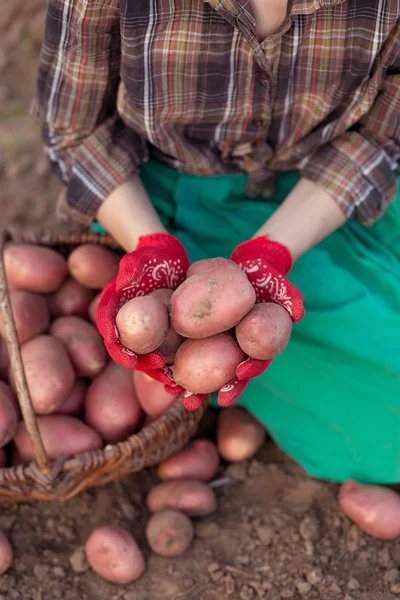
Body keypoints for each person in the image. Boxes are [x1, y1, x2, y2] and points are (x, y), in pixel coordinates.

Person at [32, 0, 400, 539]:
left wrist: (275, 250)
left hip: (327, 194)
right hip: (170, 200)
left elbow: (381, 136)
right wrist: (151, 245)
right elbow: (74, 134)